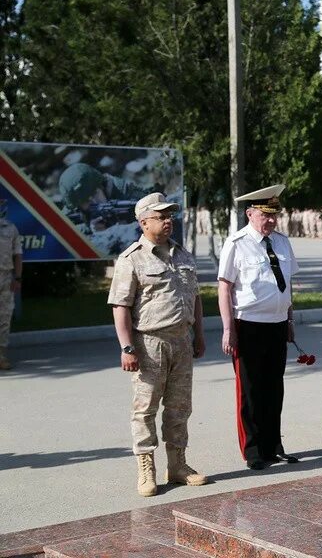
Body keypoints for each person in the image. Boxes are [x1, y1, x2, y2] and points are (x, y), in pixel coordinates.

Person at [108, 193, 207, 497]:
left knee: (179, 407)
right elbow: (120, 306)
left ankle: (177, 465)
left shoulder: (183, 254)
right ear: (143, 222)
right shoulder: (132, 258)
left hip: (181, 341)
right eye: (161, 216)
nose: (168, 221)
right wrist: (127, 348)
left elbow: (196, 297)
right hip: (149, 343)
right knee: (145, 409)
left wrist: (199, 334)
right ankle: (146, 467)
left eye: (170, 216)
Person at [217, 185, 300, 470]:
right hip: (247, 325)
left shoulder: (281, 242)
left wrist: (289, 320)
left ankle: (273, 445)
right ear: (250, 213)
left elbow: (287, 286)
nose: (272, 220)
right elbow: (224, 288)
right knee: (250, 390)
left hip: (276, 325)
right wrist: (228, 329)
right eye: (266, 215)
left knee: (274, 388)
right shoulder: (237, 243)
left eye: (275, 214)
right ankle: (253, 450)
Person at [0, 199, 22, 371]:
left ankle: (1, 355)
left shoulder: (10, 228)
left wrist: (18, 278)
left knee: (5, 317)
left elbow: (17, 256)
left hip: (6, 278)